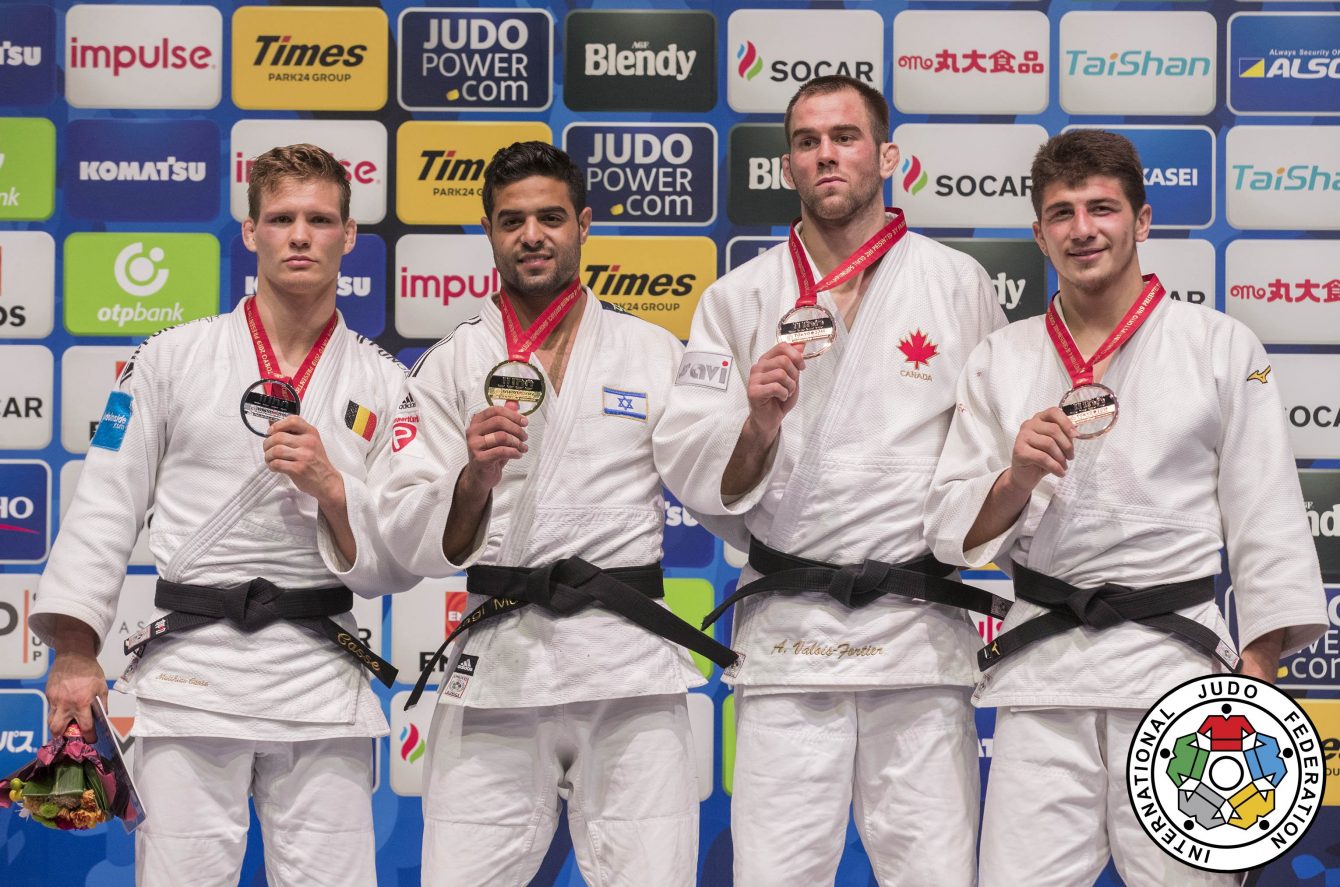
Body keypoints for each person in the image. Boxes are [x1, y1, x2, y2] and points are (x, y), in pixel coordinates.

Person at [923, 129, 1328, 886]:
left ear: (1141, 220)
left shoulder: (1220, 346)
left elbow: (1267, 515)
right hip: (1044, 678)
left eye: (1101, 208)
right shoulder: (1001, 358)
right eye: (1062, 213)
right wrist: (1015, 478)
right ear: (1039, 235)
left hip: (1180, 680)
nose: (1082, 229)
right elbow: (951, 531)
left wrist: (1259, 672)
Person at [653, 75, 1007, 886]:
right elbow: (692, 460)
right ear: (787, 167)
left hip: (918, 636)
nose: (826, 155)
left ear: (887, 156)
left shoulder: (958, 284)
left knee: (936, 873)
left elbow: (989, 446)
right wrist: (758, 424)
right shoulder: (738, 297)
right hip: (791, 638)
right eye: (807, 142)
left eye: (845, 137)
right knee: (774, 873)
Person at [31, 144, 415, 886]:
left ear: (348, 236)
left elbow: (397, 557)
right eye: (281, 218)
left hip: (318, 679)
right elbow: (103, 505)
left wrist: (333, 488)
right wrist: (76, 653)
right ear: (250, 232)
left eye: (319, 220)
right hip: (191, 680)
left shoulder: (386, 383)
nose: (299, 235)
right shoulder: (169, 358)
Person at [373, 140, 734, 887]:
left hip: (627, 663)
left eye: (550, 217)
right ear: (488, 231)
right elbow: (406, 529)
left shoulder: (652, 352)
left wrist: (758, 420)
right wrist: (473, 478)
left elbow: (716, 483)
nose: (532, 235)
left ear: (584, 224)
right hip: (501, 666)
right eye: (512, 221)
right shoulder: (449, 365)